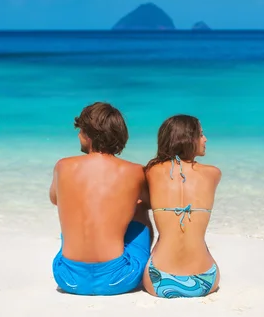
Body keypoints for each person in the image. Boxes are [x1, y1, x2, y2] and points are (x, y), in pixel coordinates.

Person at [50, 102, 152, 296]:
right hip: (119, 279)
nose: (78, 135)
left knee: (73, 212)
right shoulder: (135, 171)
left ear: (88, 135)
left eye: (80, 131)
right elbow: (151, 202)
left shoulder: (62, 166)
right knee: (140, 209)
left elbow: (55, 199)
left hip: (67, 278)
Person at [142, 115, 222, 298]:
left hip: (158, 280)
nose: (205, 139)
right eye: (201, 134)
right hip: (205, 280)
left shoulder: (150, 172)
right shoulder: (213, 173)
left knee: (139, 208)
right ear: (187, 138)